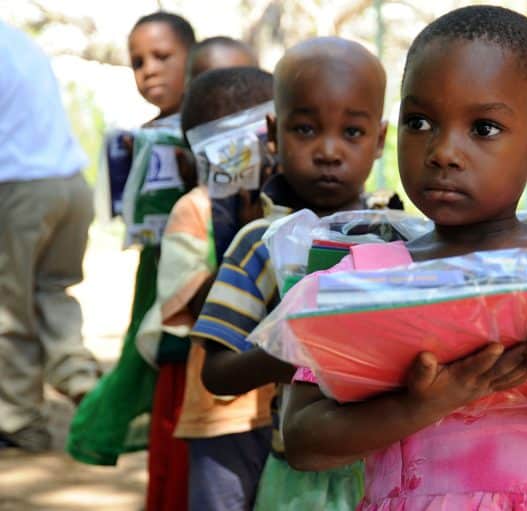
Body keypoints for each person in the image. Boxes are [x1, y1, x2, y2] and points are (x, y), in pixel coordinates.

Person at [280, 7, 527, 509]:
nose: (443, 151)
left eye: (485, 128)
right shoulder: (364, 278)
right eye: (420, 121)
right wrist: (422, 405)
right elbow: (300, 439)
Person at [189, 37, 391, 510]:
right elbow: (216, 374)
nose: (328, 151)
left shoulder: (399, 237)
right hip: (302, 478)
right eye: (305, 129)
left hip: (395, 470)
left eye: (353, 133)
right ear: (274, 135)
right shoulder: (260, 242)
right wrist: (296, 353)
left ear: (380, 140)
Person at [67, 11, 195, 469]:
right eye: (138, 61)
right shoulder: (141, 135)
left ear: (194, 60)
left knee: (181, 368)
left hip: (198, 278)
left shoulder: (212, 130)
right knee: (149, 357)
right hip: (155, 272)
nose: (150, 70)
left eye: (162, 56)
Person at [169, 66, 276, 511]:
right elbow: (193, 301)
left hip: (289, 409)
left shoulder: (296, 203)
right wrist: (248, 238)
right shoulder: (193, 211)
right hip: (220, 414)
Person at [0, 21, 101, 453]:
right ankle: (87, 390)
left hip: (20, 187)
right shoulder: (17, 40)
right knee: (53, 293)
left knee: (8, 309)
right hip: (69, 183)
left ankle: (19, 422)